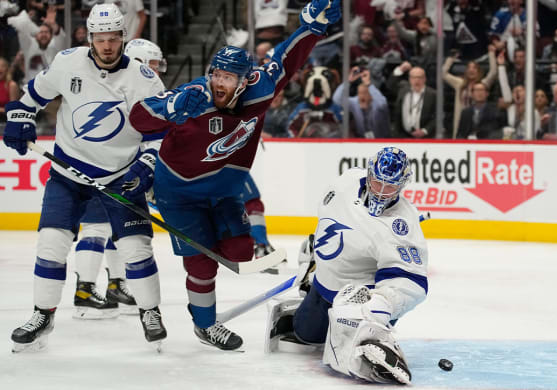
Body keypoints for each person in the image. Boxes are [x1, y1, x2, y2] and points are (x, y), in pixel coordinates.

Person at [127, 0, 341, 351]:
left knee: (240, 252)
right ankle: (206, 325)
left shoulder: (261, 87)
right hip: (178, 193)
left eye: (227, 78)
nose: (219, 83)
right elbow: (140, 118)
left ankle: (206, 311)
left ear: (244, 81)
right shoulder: (194, 96)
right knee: (202, 263)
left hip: (224, 192)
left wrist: (311, 28)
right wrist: (169, 108)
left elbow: (286, 57)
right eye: (216, 75)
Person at [4, 3, 167, 352]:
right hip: (67, 173)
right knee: (51, 243)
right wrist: (19, 116)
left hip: (121, 177)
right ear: (89, 37)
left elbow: (159, 135)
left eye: (113, 38)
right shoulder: (68, 62)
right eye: (99, 38)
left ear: (123, 36)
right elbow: (32, 95)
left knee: (136, 249)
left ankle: (149, 312)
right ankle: (42, 314)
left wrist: (147, 164)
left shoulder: (145, 80)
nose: (106, 46)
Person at [265, 147, 428, 385]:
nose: (381, 192)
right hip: (324, 284)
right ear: (368, 173)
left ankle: (375, 336)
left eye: (390, 186)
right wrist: (317, 252)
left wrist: (381, 305)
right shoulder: (346, 182)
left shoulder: (402, 225)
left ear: (402, 185)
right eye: (376, 182)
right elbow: (328, 217)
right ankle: (311, 293)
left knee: (354, 351)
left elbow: (411, 280)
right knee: (306, 335)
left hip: (361, 299)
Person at [70, 38, 168, 320]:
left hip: (124, 173)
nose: (155, 70)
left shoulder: (143, 90)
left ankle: (115, 284)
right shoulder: (117, 90)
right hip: (100, 168)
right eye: (150, 64)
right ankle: (85, 290)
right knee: (96, 228)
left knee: (118, 230)